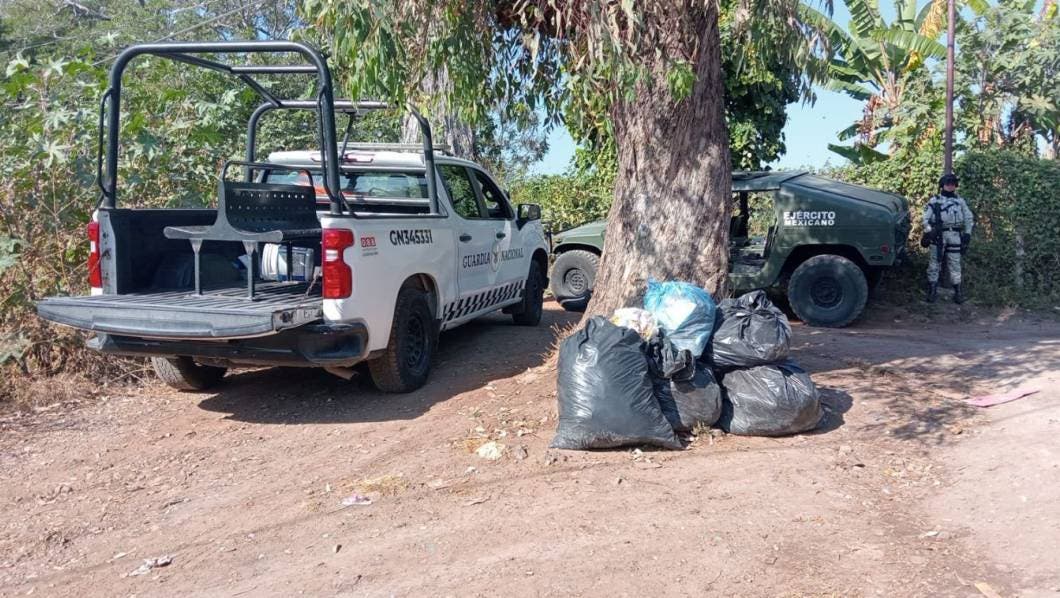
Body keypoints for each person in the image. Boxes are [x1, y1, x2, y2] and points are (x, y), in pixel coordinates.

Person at [922, 173, 973, 304]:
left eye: (952, 183)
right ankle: (932, 290)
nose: (950, 186)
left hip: (955, 235)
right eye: (947, 183)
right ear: (942, 185)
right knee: (934, 263)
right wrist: (929, 232)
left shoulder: (960, 202)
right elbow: (925, 220)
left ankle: (957, 292)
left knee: (955, 263)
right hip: (939, 235)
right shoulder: (935, 201)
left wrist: (967, 234)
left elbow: (968, 218)